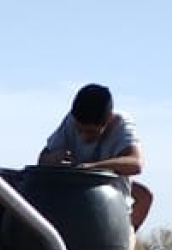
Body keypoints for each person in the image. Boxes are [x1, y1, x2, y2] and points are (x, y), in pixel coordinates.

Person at [39, 83, 153, 231]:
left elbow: (136, 163)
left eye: (91, 132)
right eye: (79, 130)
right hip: (69, 209)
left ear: (109, 119)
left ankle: (127, 237)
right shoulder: (71, 120)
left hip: (110, 215)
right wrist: (55, 158)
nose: (83, 136)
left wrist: (90, 168)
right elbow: (43, 159)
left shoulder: (122, 124)